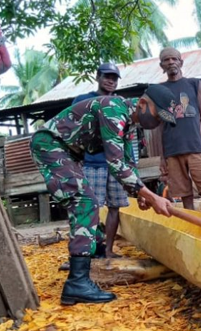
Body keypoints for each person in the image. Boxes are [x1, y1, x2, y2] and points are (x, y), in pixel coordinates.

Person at [30, 84, 177, 305]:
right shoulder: (113, 108)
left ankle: (96, 263)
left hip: (67, 152)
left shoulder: (126, 123)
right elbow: (115, 163)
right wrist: (152, 196)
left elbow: (128, 163)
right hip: (51, 145)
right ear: (143, 104)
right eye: (158, 116)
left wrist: (143, 195)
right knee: (85, 202)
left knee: (89, 202)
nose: (158, 123)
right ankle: (77, 284)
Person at [71, 63, 132, 259]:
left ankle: (108, 250)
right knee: (89, 208)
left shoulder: (121, 103)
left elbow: (127, 135)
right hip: (93, 163)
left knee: (115, 207)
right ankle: (83, 252)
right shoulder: (83, 100)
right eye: (107, 76)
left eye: (114, 78)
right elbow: (73, 130)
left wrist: (130, 164)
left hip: (116, 164)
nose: (111, 81)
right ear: (97, 77)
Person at [158, 47, 201, 216]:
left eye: (174, 59)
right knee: (185, 195)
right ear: (161, 66)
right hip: (173, 151)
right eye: (166, 60)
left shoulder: (193, 84)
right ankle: (195, 230)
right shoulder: (158, 90)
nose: (171, 62)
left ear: (181, 62)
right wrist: (162, 157)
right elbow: (160, 126)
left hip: (195, 148)